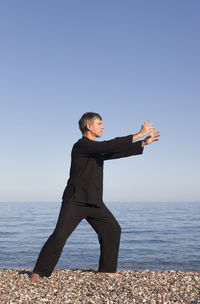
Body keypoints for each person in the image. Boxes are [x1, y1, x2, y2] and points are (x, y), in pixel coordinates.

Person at [31, 112, 160, 281]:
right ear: (88, 126)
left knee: (112, 229)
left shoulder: (95, 150)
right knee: (60, 235)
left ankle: (106, 269)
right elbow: (108, 146)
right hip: (75, 200)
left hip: (94, 201)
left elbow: (114, 152)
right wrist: (137, 135)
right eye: (99, 123)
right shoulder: (82, 146)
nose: (103, 126)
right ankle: (38, 272)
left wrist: (142, 143)